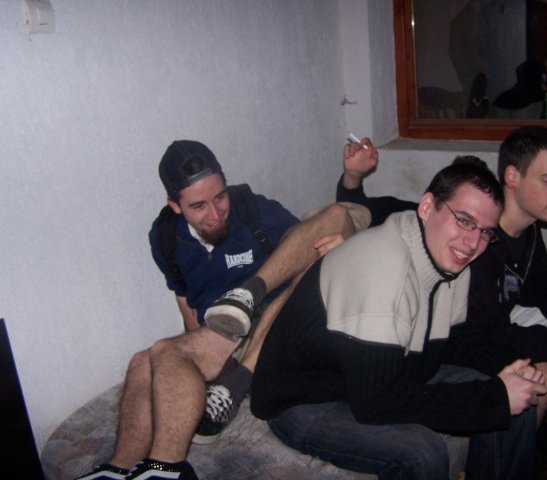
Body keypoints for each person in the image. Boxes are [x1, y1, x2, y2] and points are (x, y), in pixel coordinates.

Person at [75, 140, 369, 480]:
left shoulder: (250, 208)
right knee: (146, 359)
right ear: (175, 205)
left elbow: (315, 234)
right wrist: (204, 362)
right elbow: (185, 299)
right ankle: (119, 469)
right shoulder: (165, 238)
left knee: (330, 224)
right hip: (223, 328)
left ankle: (168, 465)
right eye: (198, 206)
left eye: (220, 197)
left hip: (279, 314)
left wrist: (338, 249)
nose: (215, 214)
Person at [252, 161, 547, 480]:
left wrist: (509, 366)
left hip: (377, 372)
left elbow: (454, 342)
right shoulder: (382, 267)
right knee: (422, 453)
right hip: (303, 399)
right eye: (463, 220)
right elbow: (376, 402)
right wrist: (494, 398)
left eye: (486, 232)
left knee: (516, 406)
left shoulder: (449, 262)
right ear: (427, 207)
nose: (472, 243)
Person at [336, 127, 547, 429]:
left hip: (486, 330)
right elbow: (367, 213)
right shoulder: (471, 243)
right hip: (449, 342)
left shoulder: (528, 232)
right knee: (540, 375)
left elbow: (543, 286)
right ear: (512, 177)